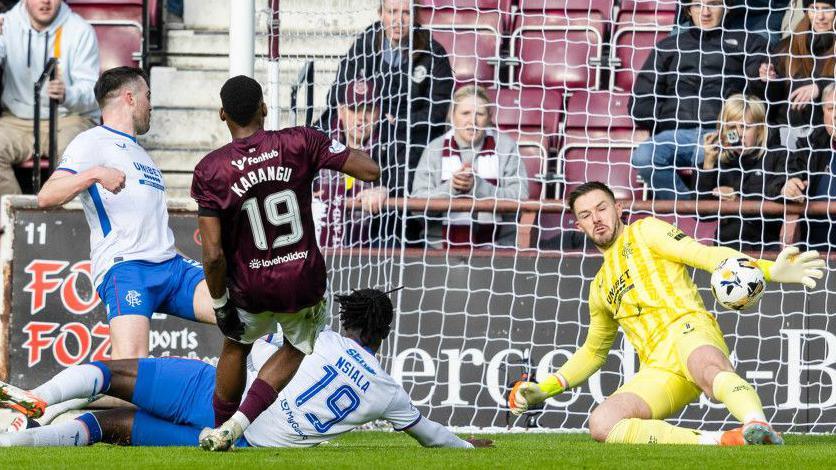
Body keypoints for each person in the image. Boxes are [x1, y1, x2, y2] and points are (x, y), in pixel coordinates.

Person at [509, 181, 824, 445]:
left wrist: (768, 270)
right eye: (586, 215)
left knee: (707, 368)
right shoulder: (599, 287)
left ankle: (758, 424)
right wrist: (545, 388)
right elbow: (593, 352)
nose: (597, 219)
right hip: (659, 368)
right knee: (602, 423)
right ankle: (720, 440)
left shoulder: (646, 232)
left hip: (689, 330)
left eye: (602, 208)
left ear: (618, 208)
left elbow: (703, 255)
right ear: (579, 225)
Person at [0, 289, 491, 450]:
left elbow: (261, 342)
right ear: (382, 336)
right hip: (241, 441)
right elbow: (431, 436)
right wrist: (472, 445)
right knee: (104, 428)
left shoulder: (315, 336)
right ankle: (15, 444)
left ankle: (39, 397)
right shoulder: (388, 393)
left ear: (347, 318)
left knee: (106, 374)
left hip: (213, 394)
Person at [191, 76, 380, 452]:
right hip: (302, 281)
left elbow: (212, 255)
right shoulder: (300, 141)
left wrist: (220, 303)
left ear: (222, 114)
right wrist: (326, 148)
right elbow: (370, 171)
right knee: (296, 346)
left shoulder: (211, 170)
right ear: (263, 108)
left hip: (250, 285)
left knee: (235, 345)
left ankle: (221, 429)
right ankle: (238, 424)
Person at [37, 67, 216, 361]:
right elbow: (46, 196)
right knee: (132, 371)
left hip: (169, 267)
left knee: (238, 313)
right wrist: (95, 174)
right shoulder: (91, 141)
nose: (151, 104)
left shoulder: (141, 154)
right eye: (148, 96)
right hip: (127, 268)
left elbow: (149, 229)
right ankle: (57, 397)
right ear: (130, 97)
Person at [630, 0, 769, 199]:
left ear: (726, 7)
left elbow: (760, 95)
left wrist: (763, 80)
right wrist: (668, 117)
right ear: (688, 10)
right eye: (697, 5)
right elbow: (640, 102)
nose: (705, 12)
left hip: (724, 133)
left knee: (729, 156)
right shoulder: (668, 46)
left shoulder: (750, 43)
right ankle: (686, 209)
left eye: (712, 4)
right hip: (677, 133)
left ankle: (713, 213)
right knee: (644, 156)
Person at [320, 0, 454, 181]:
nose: (399, 20)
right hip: (370, 126)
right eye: (392, 12)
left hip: (410, 134)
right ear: (381, 14)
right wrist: (367, 115)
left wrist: (401, 121)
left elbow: (438, 111)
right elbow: (338, 93)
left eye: (406, 13)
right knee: (323, 129)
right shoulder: (365, 43)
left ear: (415, 16)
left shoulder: (434, 53)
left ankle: (395, 199)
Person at [0, 0, 100, 195]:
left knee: (76, 158)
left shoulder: (80, 29)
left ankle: (65, 222)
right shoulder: (6, 24)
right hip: (17, 119)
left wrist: (67, 94)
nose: (45, 1)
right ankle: (16, 219)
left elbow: (93, 93)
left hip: (70, 118)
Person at [411, 85, 528, 248]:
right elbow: (416, 208)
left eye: (479, 114)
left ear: (489, 117)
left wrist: (478, 187)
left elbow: (520, 200)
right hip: (437, 252)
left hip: (499, 251)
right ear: (453, 116)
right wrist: (451, 188)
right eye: (465, 113)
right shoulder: (434, 149)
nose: (472, 121)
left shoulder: (506, 147)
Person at [695, 94, 786, 251]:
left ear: (759, 129)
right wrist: (708, 162)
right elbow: (701, 214)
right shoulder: (720, 162)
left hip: (763, 247)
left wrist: (738, 200)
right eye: (732, 128)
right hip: (726, 249)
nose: (739, 134)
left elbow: (777, 206)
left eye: (745, 127)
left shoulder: (777, 155)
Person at [316, 79, 399, 247]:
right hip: (320, 238)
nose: (362, 118)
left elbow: (405, 181)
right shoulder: (317, 143)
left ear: (379, 112)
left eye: (369, 110)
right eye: (354, 109)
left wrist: (385, 190)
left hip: (375, 240)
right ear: (340, 111)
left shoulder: (394, 145)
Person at [768, 81, 836, 247]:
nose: (835, 115)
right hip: (816, 248)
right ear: (823, 114)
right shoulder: (811, 145)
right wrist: (786, 186)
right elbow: (782, 176)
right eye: (830, 109)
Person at [760, 0, 836, 146]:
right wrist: (764, 80)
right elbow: (769, 102)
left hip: (827, 138)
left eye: (826, 9)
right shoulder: (786, 47)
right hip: (788, 135)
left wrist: (820, 87)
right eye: (814, 8)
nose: (820, 16)